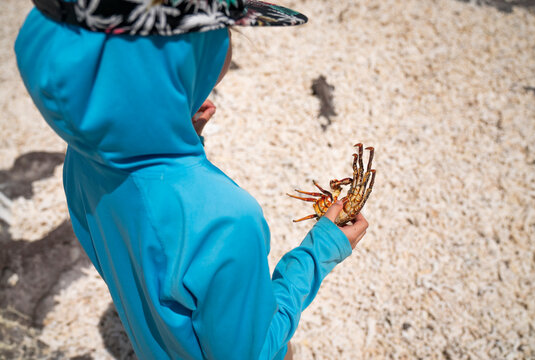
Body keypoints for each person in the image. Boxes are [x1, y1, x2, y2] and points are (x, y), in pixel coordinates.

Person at [14, 1, 369, 359]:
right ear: (181, 56)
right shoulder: (226, 220)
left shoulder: (82, 161)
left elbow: (148, 252)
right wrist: (318, 252)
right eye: (222, 30)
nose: (228, 39)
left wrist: (177, 131)